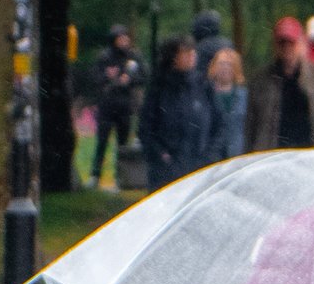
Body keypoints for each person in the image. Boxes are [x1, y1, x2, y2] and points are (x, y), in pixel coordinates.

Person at [248, 14, 314, 151]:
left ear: (302, 43)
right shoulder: (260, 81)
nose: (287, 48)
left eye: (292, 42)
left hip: (312, 157)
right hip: (271, 156)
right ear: (275, 45)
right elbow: (250, 124)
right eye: (282, 43)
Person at [139, 34, 213, 184]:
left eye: (193, 52)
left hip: (200, 166)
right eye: (186, 52)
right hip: (166, 170)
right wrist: (161, 155)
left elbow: (218, 124)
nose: (192, 56)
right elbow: (146, 128)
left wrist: (210, 155)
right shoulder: (159, 88)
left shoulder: (203, 85)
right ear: (173, 57)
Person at [90, 25, 144, 190]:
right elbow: (95, 78)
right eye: (120, 38)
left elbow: (143, 76)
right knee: (102, 141)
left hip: (125, 106)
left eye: (126, 38)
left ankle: (121, 177)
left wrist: (130, 80)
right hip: (107, 105)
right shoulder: (105, 58)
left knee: (123, 144)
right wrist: (109, 78)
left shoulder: (133, 58)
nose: (124, 41)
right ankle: (95, 174)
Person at [204, 38, 248, 159]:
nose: (225, 68)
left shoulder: (244, 96)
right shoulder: (205, 95)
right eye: (221, 64)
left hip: (237, 153)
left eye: (229, 64)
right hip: (211, 155)